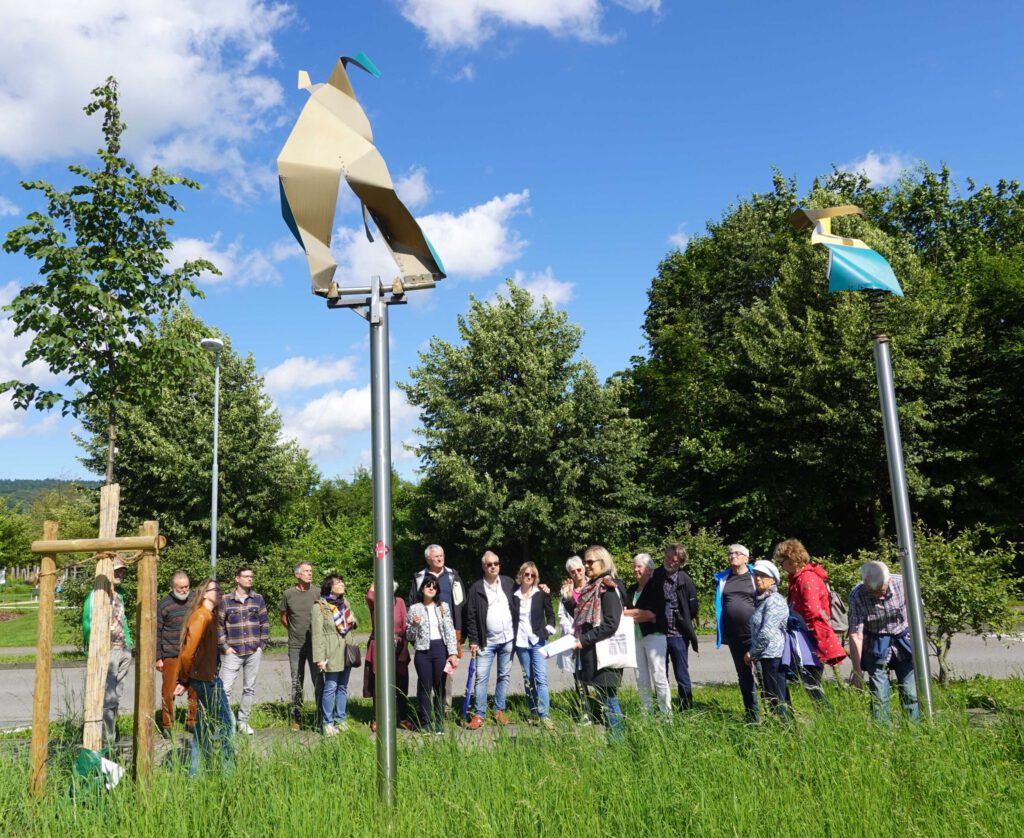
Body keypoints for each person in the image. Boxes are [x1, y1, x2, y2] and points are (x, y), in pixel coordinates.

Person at [174, 578, 235, 775]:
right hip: (206, 680)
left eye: (220, 589)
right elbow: (187, 653)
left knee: (203, 728)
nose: (219, 592)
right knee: (227, 724)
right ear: (204, 593)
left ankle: (196, 773)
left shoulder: (210, 615)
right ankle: (229, 773)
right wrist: (184, 679)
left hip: (206, 677)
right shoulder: (201, 617)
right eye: (214, 589)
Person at [775, 538, 846, 703]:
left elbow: (813, 611)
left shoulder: (807, 578)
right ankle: (825, 716)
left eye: (782, 562)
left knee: (811, 682)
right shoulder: (798, 578)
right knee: (807, 681)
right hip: (804, 635)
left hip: (809, 636)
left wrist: (810, 638)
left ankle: (826, 718)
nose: (781, 566)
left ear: (792, 558)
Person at [848, 561, 919, 723]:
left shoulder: (903, 584)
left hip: (903, 640)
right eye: (872, 593)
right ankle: (882, 736)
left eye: (881, 591)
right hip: (875, 642)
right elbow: (855, 634)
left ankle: (914, 733)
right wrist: (858, 671)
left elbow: (918, 616)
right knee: (879, 696)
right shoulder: (857, 595)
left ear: (887, 582)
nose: (878, 597)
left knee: (910, 693)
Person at [569, 545, 626, 742]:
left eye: (590, 562)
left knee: (609, 700)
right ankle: (614, 741)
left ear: (603, 562)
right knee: (605, 699)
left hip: (605, 655)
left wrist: (583, 640)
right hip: (595, 654)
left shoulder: (607, 588)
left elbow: (611, 624)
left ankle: (618, 744)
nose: (586, 565)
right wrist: (569, 601)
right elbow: (583, 617)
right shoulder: (594, 587)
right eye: (585, 562)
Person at [82, 554, 133, 747]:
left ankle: (110, 731)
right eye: (116, 570)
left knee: (116, 696)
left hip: (123, 650)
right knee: (108, 698)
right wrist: (95, 650)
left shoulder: (120, 594)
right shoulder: (97, 595)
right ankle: (106, 740)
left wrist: (129, 644)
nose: (120, 573)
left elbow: (123, 621)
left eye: (121, 570)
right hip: (107, 651)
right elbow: (88, 624)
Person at [465, 551, 516, 729]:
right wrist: (473, 639)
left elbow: (525, 597)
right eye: (489, 564)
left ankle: (499, 710)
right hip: (485, 642)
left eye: (496, 563)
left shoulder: (509, 583)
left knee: (504, 675)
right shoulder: (476, 588)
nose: (493, 566)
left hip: (508, 639)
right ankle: (479, 714)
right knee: (481, 678)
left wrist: (542, 590)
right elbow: (470, 616)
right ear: (483, 567)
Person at [217, 565, 269, 735]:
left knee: (249, 688)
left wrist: (261, 645)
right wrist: (225, 648)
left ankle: (243, 722)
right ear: (237, 578)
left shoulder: (258, 599)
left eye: (251, 576)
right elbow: (218, 626)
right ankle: (228, 722)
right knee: (224, 689)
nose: (249, 579)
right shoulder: (225, 600)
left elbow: (264, 623)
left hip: (253, 651)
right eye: (246, 576)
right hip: (233, 651)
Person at [406, 576, 459, 733]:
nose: (431, 588)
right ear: (422, 589)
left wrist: (453, 653)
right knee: (424, 687)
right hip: (422, 650)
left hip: (439, 649)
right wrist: (414, 625)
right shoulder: (414, 608)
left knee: (440, 687)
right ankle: (425, 723)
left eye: (434, 587)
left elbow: (449, 631)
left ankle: (440, 723)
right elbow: (409, 635)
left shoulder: (443, 607)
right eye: (428, 586)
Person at [714, 544, 759, 721]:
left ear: (746, 558)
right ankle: (752, 715)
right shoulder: (724, 579)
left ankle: (774, 712)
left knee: (764, 676)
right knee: (744, 677)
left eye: (737, 553)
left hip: (756, 635)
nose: (732, 556)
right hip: (735, 636)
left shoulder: (756, 576)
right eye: (730, 553)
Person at [511, 561, 556, 730]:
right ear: (521, 575)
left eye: (533, 575)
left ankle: (545, 715)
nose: (529, 577)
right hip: (521, 642)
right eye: (527, 574)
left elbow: (550, 615)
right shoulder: (513, 595)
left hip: (538, 641)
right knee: (528, 679)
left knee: (541, 678)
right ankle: (534, 712)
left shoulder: (541, 593)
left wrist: (548, 630)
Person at [625, 553, 671, 716]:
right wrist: (638, 613)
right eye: (634, 566)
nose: (635, 569)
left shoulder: (656, 587)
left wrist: (632, 613)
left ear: (649, 570)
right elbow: (622, 613)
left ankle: (666, 716)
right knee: (641, 678)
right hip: (636, 637)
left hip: (654, 636)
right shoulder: (631, 589)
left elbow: (651, 615)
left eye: (639, 566)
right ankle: (647, 714)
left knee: (659, 676)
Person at [365, 581, 415, 732]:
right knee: (378, 684)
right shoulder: (376, 602)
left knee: (400, 683)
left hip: (398, 645)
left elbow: (406, 627)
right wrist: (379, 573)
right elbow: (369, 594)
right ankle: (377, 718)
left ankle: (403, 718)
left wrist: (405, 648)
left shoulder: (399, 601)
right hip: (379, 645)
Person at [279, 560, 323, 731]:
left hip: (315, 644)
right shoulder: (288, 594)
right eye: (306, 571)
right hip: (296, 645)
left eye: (311, 571)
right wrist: (293, 630)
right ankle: (297, 717)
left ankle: (321, 716)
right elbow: (284, 616)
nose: (310, 573)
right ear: (297, 575)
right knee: (296, 681)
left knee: (318, 681)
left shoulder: (318, 592)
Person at [747, 560, 792, 720]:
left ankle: (787, 732)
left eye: (763, 576)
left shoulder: (775, 601)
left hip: (774, 657)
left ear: (773, 579)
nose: (758, 579)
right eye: (756, 575)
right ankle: (781, 730)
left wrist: (752, 653)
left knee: (777, 699)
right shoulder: (763, 600)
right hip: (766, 657)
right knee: (772, 698)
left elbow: (767, 633)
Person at [312, 574, 357, 734]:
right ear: (330, 586)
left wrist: (353, 620)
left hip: (346, 650)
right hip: (330, 652)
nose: (342, 585)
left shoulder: (345, 603)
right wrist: (319, 658)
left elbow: (352, 622)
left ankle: (341, 719)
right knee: (330, 687)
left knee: (343, 687)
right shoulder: (320, 607)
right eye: (339, 583)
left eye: (342, 582)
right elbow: (317, 635)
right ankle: (327, 723)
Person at [659, 543, 700, 711]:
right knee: (661, 674)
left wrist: (682, 620)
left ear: (680, 562)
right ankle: (664, 707)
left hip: (678, 635)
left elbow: (693, 608)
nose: (669, 561)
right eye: (667, 557)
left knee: (681, 673)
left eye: (673, 560)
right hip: (659, 634)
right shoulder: (656, 576)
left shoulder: (685, 581)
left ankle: (686, 708)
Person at [156, 571, 197, 736]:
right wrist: (158, 657)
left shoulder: (195, 601)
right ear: (172, 587)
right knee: (168, 691)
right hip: (170, 653)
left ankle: (192, 721)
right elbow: (156, 632)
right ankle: (167, 725)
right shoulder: (164, 605)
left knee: (195, 689)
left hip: (191, 653)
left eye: (186, 586)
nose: (184, 590)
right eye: (180, 587)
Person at [558, 555, 591, 722]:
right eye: (573, 572)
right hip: (573, 638)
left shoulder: (593, 586)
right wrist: (571, 629)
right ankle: (585, 711)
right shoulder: (566, 590)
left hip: (590, 637)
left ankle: (600, 709)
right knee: (578, 677)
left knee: (593, 674)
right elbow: (561, 615)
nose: (577, 574)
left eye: (579, 570)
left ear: (584, 569)